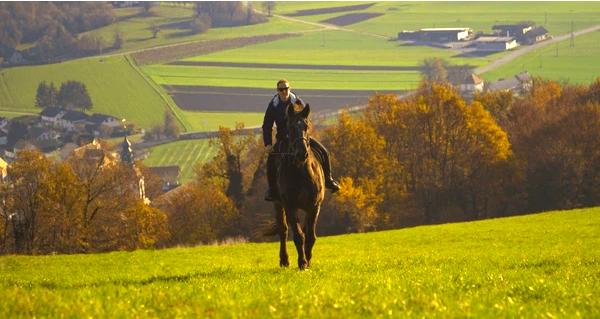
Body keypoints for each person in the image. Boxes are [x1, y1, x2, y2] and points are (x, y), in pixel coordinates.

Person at [262, 79, 341, 201]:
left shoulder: (298, 102)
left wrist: (304, 134)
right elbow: (267, 125)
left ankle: (329, 180)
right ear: (277, 91)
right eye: (281, 89)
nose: (284, 91)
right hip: (284, 139)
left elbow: (306, 120)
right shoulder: (273, 105)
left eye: (286, 89)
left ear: (290, 89)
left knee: (324, 152)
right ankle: (272, 190)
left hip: (300, 137)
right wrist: (268, 144)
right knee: (271, 161)